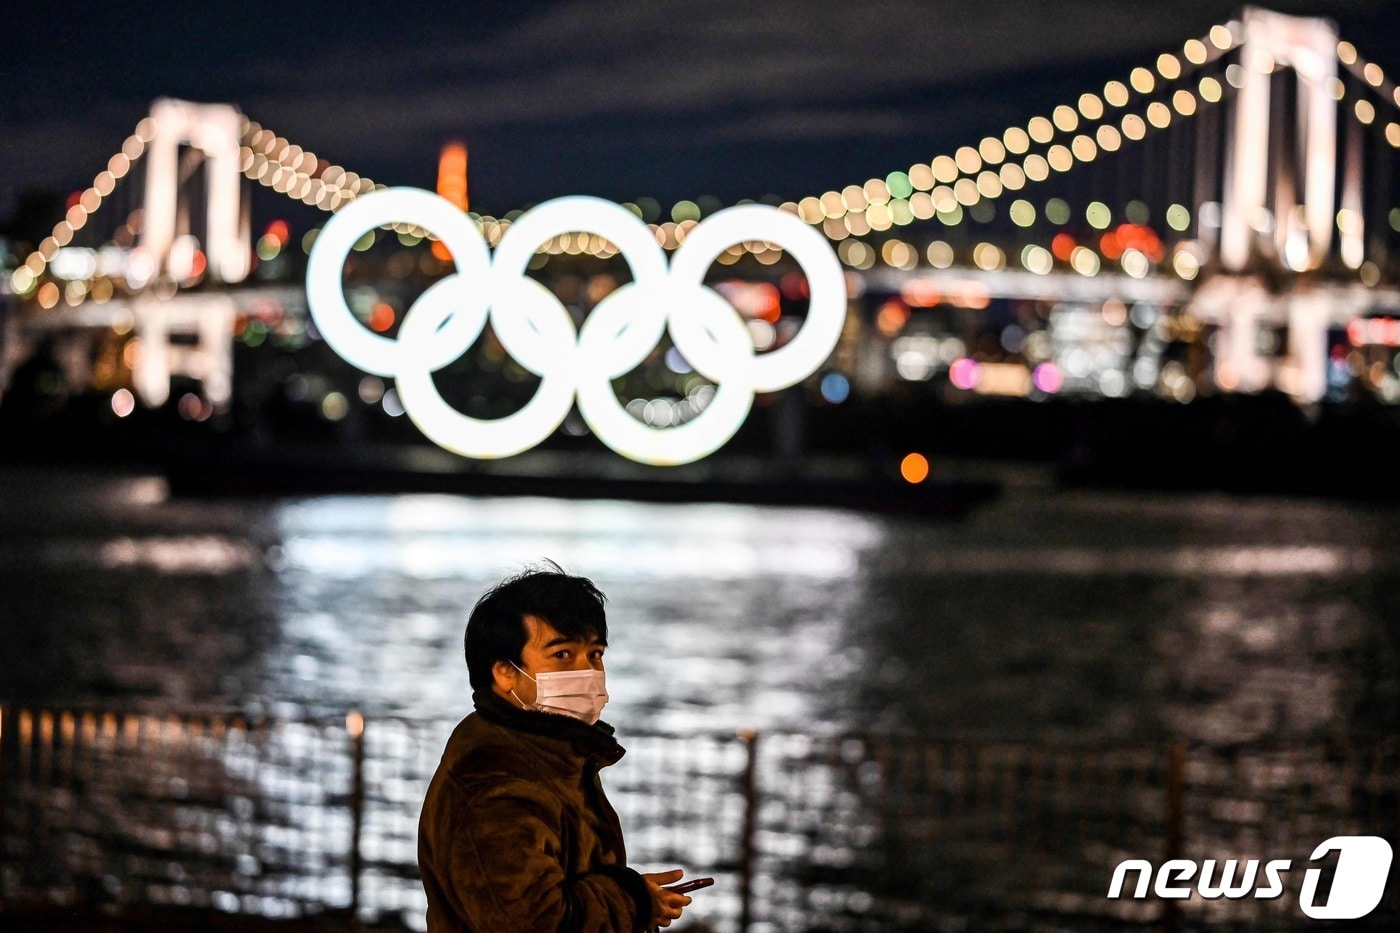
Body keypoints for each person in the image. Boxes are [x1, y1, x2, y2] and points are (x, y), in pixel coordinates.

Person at [419, 562, 695, 932]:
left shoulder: (550, 752)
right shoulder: (491, 773)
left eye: (595, 654)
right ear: (505, 672)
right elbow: (529, 920)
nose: (588, 672)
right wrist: (633, 901)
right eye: (563, 655)